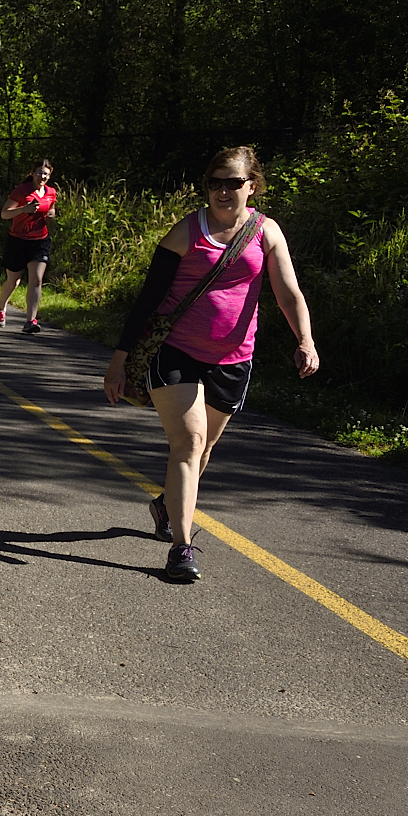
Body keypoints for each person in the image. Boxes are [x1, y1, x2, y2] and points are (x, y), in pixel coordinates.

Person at [103, 146, 319, 583]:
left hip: (234, 358)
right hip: (177, 352)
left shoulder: (266, 231)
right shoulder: (186, 232)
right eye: (215, 183)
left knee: (204, 450)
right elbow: (147, 300)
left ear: (251, 186)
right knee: (188, 441)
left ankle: (166, 504)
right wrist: (119, 360)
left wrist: (305, 340)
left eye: (233, 183)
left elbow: (288, 292)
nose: (223, 191)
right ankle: (181, 547)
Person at [0, 159, 56, 333]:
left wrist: (51, 214)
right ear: (32, 173)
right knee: (13, 281)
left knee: (36, 279)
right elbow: (4, 214)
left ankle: (31, 321)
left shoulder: (51, 192)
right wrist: (23, 209)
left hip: (40, 240)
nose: (42, 176)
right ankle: (1, 308)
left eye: (45, 173)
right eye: (38, 172)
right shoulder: (22, 191)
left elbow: (51, 208)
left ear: (49, 176)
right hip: (18, 240)